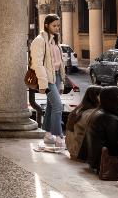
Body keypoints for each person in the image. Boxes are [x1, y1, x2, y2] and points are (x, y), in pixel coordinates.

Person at [30, 14, 66, 148]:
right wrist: (43, 83)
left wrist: (61, 81)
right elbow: (37, 63)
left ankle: (48, 135)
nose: (57, 28)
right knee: (58, 106)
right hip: (47, 78)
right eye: (54, 25)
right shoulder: (39, 41)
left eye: (58, 25)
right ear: (46, 25)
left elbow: (60, 63)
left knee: (51, 106)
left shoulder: (54, 40)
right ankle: (58, 136)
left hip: (56, 76)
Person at [82, 86, 118, 173]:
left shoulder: (98, 113)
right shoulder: (110, 118)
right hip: (104, 164)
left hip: (94, 162)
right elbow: (116, 149)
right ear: (114, 99)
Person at [65, 85, 102, 160]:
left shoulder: (79, 109)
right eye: (102, 96)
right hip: (80, 153)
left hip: (72, 150)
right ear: (96, 97)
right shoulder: (91, 113)